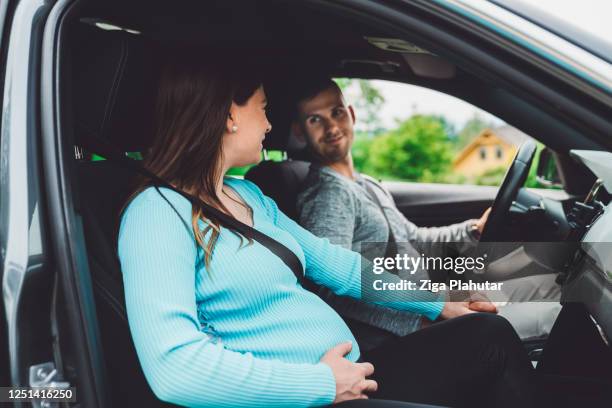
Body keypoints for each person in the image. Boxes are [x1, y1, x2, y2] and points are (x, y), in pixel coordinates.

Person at [117, 55, 534, 408]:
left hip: (352, 376)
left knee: (487, 333)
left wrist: (437, 304)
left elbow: (339, 266)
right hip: (311, 395)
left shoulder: (244, 195)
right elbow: (174, 369)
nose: (268, 124)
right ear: (229, 115)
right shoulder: (155, 213)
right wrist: (320, 383)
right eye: (263, 108)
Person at [293, 77, 561, 343]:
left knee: (554, 286)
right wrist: (421, 318)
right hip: (415, 325)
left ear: (351, 114)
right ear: (298, 131)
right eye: (314, 120)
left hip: (433, 301)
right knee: (560, 315)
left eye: (336, 113)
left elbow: (413, 238)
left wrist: (473, 230)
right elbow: (331, 289)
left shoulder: (365, 184)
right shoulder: (326, 196)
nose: (331, 127)